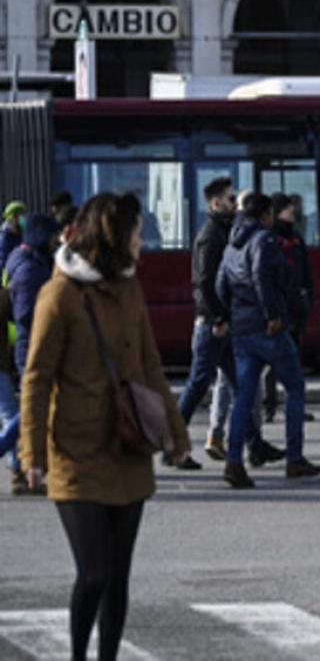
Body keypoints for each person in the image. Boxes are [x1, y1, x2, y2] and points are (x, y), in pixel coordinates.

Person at [20, 192, 190, 661]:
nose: (142, 242)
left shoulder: (131, 288)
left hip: (128, 448)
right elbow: (36, 379)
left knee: (118, 576)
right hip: (77, 453)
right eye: (136, 233)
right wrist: (30, 455)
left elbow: (152, 366)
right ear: (114, 236)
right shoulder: (59, 295)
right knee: (93, 572)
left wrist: (176, 435)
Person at [171, 177, 281, 471]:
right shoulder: (211, 235)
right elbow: (204, 284)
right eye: (231, 200)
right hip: (212, 326)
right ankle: (175, 447)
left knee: (241, 386)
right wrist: (218, 317)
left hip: (222, 324)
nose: (236, 205)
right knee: (197, 385)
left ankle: (255, 446)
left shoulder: (223, 230)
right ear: (216, 202)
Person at [216, 192, 320, 488]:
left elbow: (220, 285)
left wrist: (230, 314)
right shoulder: (264, 240)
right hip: (268, 330)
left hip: (242, 329)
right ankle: (294, 458)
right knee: (295, 387)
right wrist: (273, 315)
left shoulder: (231, 244)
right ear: (265, 215)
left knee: (244, 396)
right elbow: (263, 276)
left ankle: (234, 460)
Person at [0, 213, 57, 496]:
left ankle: (24, 469)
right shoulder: (30, 270)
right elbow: (25, 316)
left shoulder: (25, 260)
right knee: (29, 411)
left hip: (31, 347)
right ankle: (19, 465)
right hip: (33, 349)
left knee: (30, 411)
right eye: (51, 237)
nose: (55, 242)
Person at [264, 193, 315, 425]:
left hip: (296, 308)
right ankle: (270, 405)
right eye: (287, 208)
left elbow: (306, 273)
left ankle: (295, 406)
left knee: (294, 359)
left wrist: (307, 300)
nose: (292, 211)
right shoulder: (270, 239)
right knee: (272, 361)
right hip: (279, 307)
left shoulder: (296, 238)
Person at [0, 200, 26, 273]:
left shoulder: (21, 232)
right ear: (13, 218)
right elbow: (2, 261)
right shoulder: (4, 237)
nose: (24, 219)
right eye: (22, 216)